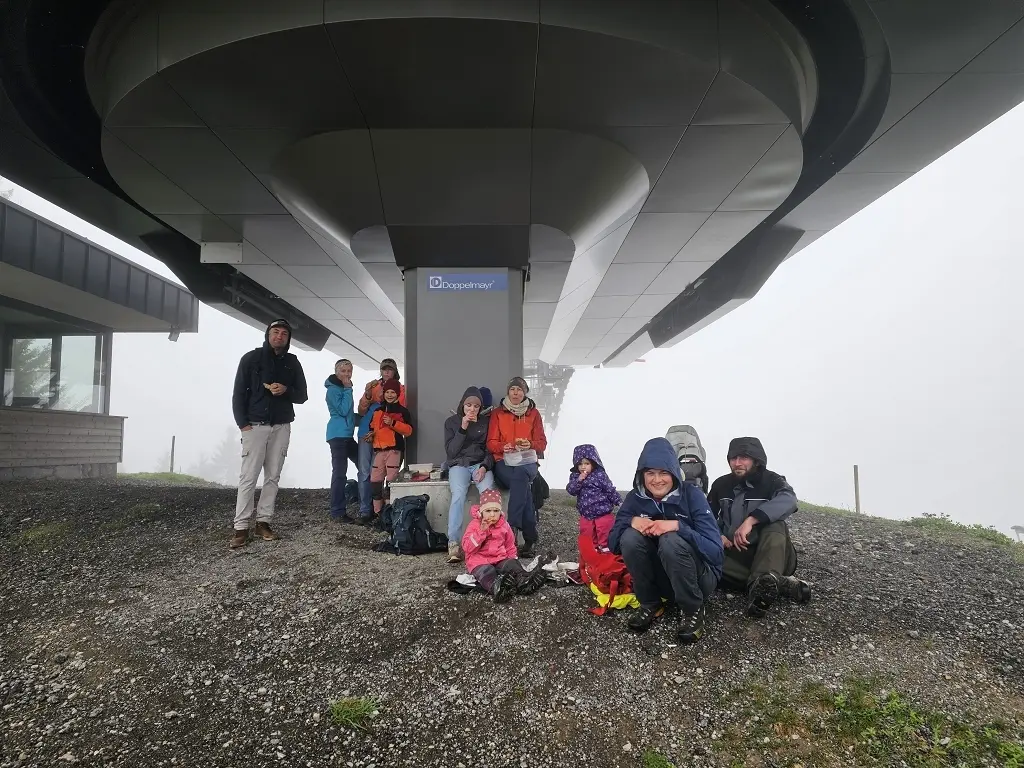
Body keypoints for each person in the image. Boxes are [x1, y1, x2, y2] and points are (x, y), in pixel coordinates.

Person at [609, 437, 723, 644]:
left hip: (698, 579)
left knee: (670, 540)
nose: (657, 480)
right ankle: (650, 604)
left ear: (674, 474)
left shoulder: (693, 495)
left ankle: (692, 609)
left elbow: (716, 553)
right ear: (641, 475)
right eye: (650, 473)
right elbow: (614, 545)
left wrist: (678, 526)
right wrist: (631, 521)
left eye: (664, 473)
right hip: (663, 579)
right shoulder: (635, 498)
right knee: (629, 537)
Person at [707, 437, 812, 618]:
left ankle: (767, 581)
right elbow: (705, 516)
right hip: (736, 556)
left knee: (776, 523)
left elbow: (789, 500)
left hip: (773, 554)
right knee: (702, 559)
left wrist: (751, 520)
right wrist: (717, 535)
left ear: (756, 459)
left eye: (744, 458)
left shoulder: (772, 480)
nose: (737, 463)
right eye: (733, 458)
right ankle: (773, 584)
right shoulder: (720, 485)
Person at [229, 319, 308, 548]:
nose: (279, 336)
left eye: (284, 333)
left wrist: (285, 390)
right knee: (248, 477)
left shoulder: (292, 362)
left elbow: (302, 395)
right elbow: (238, 393)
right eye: (275, 332)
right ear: (268, 334)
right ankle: (240, 527)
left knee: (273, 476)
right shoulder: (251, 359)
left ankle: (263, 522)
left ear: (288, 338)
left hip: (282, 425)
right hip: (254, 425)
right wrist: (242, 423)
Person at [487, 376, 547, 559]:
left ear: (525, 392)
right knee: (523, 487)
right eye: (513, 389)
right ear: (508, 392)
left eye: (519, 390)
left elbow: (542, 443)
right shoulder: (498, 413)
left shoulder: (533, 414)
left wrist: (529, 444)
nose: (516, 393)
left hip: (527, 462)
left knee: (521, 475)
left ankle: (510, 528)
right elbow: (491, 443)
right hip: (503, 462)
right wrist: (502, 447)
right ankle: (530, 539)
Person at [462, 488, 547, 603]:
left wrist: (513, 560)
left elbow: (510, 545)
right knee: (487, 572)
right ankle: (498, 588)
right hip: (479, 561)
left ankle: (524, 582)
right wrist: (481, 532)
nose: (492, 514)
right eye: (488, 511)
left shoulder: (504, 525)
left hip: (499, 558)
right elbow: (467, 547)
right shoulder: (475, 525)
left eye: (496, 511)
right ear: (481, 512)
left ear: (500, 512)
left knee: (512, 564)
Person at [443, 386, 494, 563]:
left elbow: (490, 450)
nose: (472, 409)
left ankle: (488, 540)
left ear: (480, 408)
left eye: (476, 406)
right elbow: (451, 452)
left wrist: (484, 467)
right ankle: (454, 543)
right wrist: (463, 427)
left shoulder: (485, 422)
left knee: (488, 494)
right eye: (468, 405)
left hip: (479, 465)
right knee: (458, 495)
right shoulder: (451, 422)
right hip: (458, 465)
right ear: (462, 405)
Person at [368, 379, 413, 516]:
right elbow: (372, 428)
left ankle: (390, 513)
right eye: (387, 392)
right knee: (375, 481)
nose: (390, 395)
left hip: (394, 450)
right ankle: (378, 514)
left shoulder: (403, 411)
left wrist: (393, 423)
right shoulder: (377, 411)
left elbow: (409, 431)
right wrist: (370, 436)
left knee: (391, 481)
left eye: (393, 392)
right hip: (379, 451)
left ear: (398, 393)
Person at [566, 444, 621, 550]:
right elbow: (571, 490)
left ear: (594, 463)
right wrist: (578, 480)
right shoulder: (575, 477)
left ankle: (607, 558)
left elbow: (610, 489)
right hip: (586, 515)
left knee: (605, 537)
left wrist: (618, 501)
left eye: (587, 463)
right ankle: (591, 559)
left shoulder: (600, 475)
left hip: (603, 513)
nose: (583, 467)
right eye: (580, 464)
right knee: (588, 539)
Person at [325, 359, 355, 522]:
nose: (346, 374)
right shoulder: (334, 390)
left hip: (346, 435)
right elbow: (343, 411)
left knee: (363, 464)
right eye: (343, 371)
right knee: (339, 473)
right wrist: (348, 389)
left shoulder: (341, 389)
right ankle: (337, 511)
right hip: (338, 436)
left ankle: (364, 499)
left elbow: (350, 414)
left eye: (349, 371)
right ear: (336, 372)